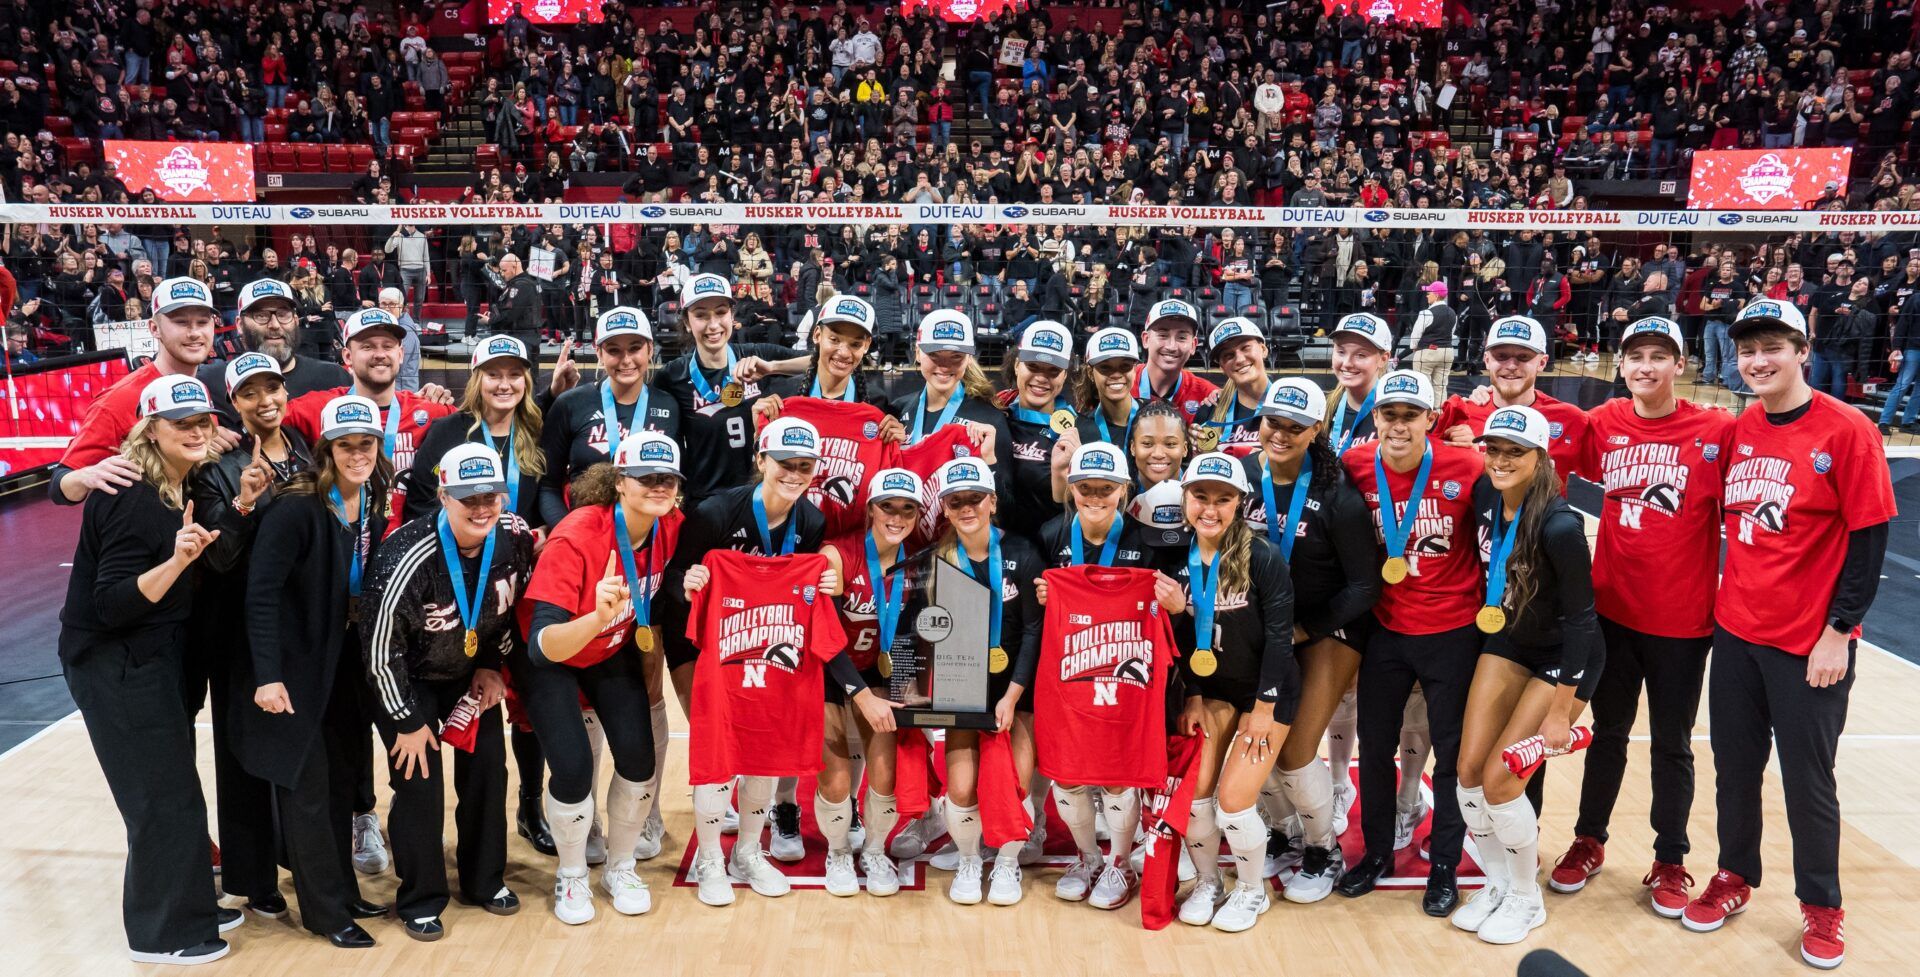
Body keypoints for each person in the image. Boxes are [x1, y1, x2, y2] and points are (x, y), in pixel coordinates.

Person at [1683, 300, 1894, 971]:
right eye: (1748, 350)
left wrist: (1840, 631)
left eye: (1773, 347)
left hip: (1809, 643)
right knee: (1734, 769)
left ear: (1802, 350)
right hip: (1737, 631)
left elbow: (1869, 540)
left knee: (1808, 781)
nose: (1758, 361)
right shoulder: (1742, 427)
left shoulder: (1848, 430)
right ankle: (1734, 874)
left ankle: (1822, 905)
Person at [59, 375, 242, 965]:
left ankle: (191, 903)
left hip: (151, 654)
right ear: (150, 429)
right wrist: (177, 562)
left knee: (177, 788)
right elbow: (111, 604)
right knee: (158, 799)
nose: (195, 431)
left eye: (201, 422)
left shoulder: (174, 483)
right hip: (114, 663)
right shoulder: (133, 495)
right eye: (180, 424)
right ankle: (163, 935)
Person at [1553, 317, 1731, 915]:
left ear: (1680, 365)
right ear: (1621, 366)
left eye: (1659, 356)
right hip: (1612, 614)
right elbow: (1543, 431)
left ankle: (1671, 859)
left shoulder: (1716, 430)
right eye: (1635, 357)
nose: (1646, 367)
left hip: (1683, 622)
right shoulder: (1604, 422)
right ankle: (1589, 839)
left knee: (1672, 744)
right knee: (1607, 734)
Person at [363, 443, 535, 940]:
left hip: (468, 674)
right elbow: (379, 651)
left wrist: (491, 666)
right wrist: (406, 721)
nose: (481, 508)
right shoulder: (405, 554)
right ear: (442, 496)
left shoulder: (514, 539)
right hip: (406, 680)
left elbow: (507, 612)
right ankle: (420, 897)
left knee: (488, 772)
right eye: (468, 498)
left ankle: (485, 880)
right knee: (420, 783)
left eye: (490, 496)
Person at [243, 395, 396, 948]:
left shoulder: (372, 497)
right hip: (294, 669)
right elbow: (260, 595)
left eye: (365, 444)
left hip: (343, 663)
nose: (357, 455)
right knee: (307, 791)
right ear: (326, 451)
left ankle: (343, 892)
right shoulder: (296, 507)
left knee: (340, 784)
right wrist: (267, 675)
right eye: (344, 446)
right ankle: (325, 913)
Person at [1451, 405, 1606, 945]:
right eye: (1493, 449)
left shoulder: (1561, 525)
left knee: (1501, 780)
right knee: (1468, 770)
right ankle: (1496, 883)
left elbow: (1583, 621)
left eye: (1514, 452)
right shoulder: (1486, 495)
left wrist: (1562, 711)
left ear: (1540, 458)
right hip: (1511, 638)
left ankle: (1525, 895)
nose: (1500, 460)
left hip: (1565, 653)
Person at [399, 334, 559, 856]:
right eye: (494, 374)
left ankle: (530, 805)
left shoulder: (537, 430)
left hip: (521, 585)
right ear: (476, 379)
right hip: (460, 589)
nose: (504, 384)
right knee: (476, 702)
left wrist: (543, 531)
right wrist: (473, 540)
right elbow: (421, 507)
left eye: (514, 374)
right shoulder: (448, 431)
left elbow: (549, 492)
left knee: (528, 704)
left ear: (527, 381)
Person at [1336, 370, 1485, 917]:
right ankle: (1377, 852)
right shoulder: (1354, 465)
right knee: (1375, 747)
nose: (1398, 425)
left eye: (1410, 415)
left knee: (1450, 755)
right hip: (1387, 630)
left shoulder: (1467, 466)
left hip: (1454, 631)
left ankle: (1443, 864)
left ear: (1431, 419)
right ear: (1375, 418)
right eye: (1389, 414)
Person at [669, 418, 831, 905]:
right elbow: (673, 575)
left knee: (764, 751)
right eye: (785, 463)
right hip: (705, 644)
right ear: (761, 460)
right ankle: (709, 858)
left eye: (804, 466)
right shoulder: (715, 512)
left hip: (771, 646)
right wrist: (688, 584)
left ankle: (747, 852)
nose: (794, 474)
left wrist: (828, 579)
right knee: (718, 753)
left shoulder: (811, 523)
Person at [520, 430, 680, 924]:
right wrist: (595, 617)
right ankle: (571, 875)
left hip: (609, 648)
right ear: (619, 482)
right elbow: (541, 646)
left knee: (639, 760)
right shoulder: (577, 536)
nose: (659, 487)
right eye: (646, 478)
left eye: (668, 478)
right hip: (555, 655)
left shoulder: (670, 524)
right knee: (572, 768)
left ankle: (620, 866)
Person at [1237, 377, 1381, 903]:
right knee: (1256, 742)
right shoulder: (1242, 475)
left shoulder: (1336, 492)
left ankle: (1324, 848)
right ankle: (1286, 832)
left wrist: (1305, 629)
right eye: (1273, 423)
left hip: (1327, 628)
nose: (1280, 434)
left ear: (1316, 429)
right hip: (1266, 627)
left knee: (1295, 750)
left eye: (1295, 428)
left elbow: (1364, 585)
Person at [1038, 441, 1187, 912]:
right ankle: (1087, 858)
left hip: (1128, 675)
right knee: (1068, 776)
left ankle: (1120, 861)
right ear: (1071, 489)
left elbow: (1173, 613)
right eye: (1086, 488)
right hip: (1071, 671)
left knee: (1120, 775)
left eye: (1106, 488)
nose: (1096, 497)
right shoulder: (1051, 536)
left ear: (1124, 490)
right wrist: (1044, 597)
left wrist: (1175, 606)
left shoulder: (1150, 542)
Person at [189, 353, 312, 921]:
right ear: (233, 402)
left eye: (273, 388)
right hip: (240, 628)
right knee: (243, 756)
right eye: (250, 393)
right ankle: (253, 876)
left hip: (299, 622)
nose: (265, 401)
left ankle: (300, 858)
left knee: (296, 747)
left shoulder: (306, 450)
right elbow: (219, 558)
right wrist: (243, 501)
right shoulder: (215, 466)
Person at [1164, 451, 1296, 932]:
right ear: (1185, 498)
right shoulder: (1174, 559)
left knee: (1235, 802)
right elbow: (1179, 646)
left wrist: (1264, 708)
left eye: (1223, 499)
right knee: (1195, 796)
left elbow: (1280, 638)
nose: (1210, 509)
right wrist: (1194, 694)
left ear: (1239, 502)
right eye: (1200, 496)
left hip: (1266, 693)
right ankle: (1208, 882)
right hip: (1212, 692)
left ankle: (1252, 889)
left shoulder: (1263, 556)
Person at [928, 457, 1045, 907]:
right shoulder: (938, 559)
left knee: (1014, 782)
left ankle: (1007, 862)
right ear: (945, 507)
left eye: (974, 499)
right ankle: (969, 858)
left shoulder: (1023, 552)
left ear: (992, 502)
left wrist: (1013, 696)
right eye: (955, 501)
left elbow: (1033, 630)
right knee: (960, 788)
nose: (966, 508)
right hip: (963, 689)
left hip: (1016, 688)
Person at [812, 470, 927, 896]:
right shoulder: (837, 555)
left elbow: (916, 630)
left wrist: (913, 683)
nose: (896, 517)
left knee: (886, 772)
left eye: (907, 509)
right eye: (887, 507)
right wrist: (860, 697)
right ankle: (838, 850)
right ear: (870, 510)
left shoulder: (919, 561)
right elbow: (824, 638)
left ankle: (874, 849)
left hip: (881, 670)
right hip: (831, 669)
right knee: (836, 779)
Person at [51, 277, 227, 505]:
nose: (194, 333)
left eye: (202, 322)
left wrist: (211, 438)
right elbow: (60, 485)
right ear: (154, 328)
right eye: (181, 322)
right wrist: (87, 475)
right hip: (149, 521)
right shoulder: (118, 400)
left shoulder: (201, 385)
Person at [539, 306, 683, 528]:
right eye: (614, 350)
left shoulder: (669, 405)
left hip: (647, 536)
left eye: (635, 348)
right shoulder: (571, 404)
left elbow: (677, 481)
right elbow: (548, 486)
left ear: (650, 349)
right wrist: (569, 533)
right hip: (585, 532)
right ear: (599, 353)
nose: (626, 360)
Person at [1436, 315, 1590, 487]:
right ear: (1487, 360)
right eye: (1501, 356)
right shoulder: (1462, 415)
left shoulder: (1571, 419)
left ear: (1542, 363)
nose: (1511, 365)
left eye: (1523, 357)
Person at [197, 278, 350, 421]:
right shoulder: (210, 383)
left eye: (283, 315)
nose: (275, 325)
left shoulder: (334, 378)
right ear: (240, 325)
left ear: (296, 321)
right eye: (261, 316)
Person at [996, 320, 1078, 545]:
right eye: (1032, 366)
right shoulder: (995, 416)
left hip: (1049, 551)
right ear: (1016, 365)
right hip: (993, 548)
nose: (1041, 378)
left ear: (1064, 375)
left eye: (1053, 370)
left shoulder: (1079, 431)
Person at [1133, 298, 1219, 423]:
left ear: (1193, 345)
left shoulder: (1207, 395)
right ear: (1146, 339)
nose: (1171, 346)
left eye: (1182, 337)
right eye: (1163, 335)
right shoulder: (1123, 384)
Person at [1197, 317, 1273, 457]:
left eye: (1245, 348)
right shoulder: (1209, 410)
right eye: (1228, 355)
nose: (1240, 359)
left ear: (1263, 349)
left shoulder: (1289, 406)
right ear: (1222, 367)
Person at [1406, 280, 1459, 395]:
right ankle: (1440, 407)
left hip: (1428, 351)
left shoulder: (1426, 313)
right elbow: (1451, 334)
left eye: (1429, 293)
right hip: (1447, 352)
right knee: (1441, 388)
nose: (1427, 296)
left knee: (1422, 386)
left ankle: (1425, 407)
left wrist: (1414, 348)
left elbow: (1416, 334)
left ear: (1436, 295)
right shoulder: (1453, 313)